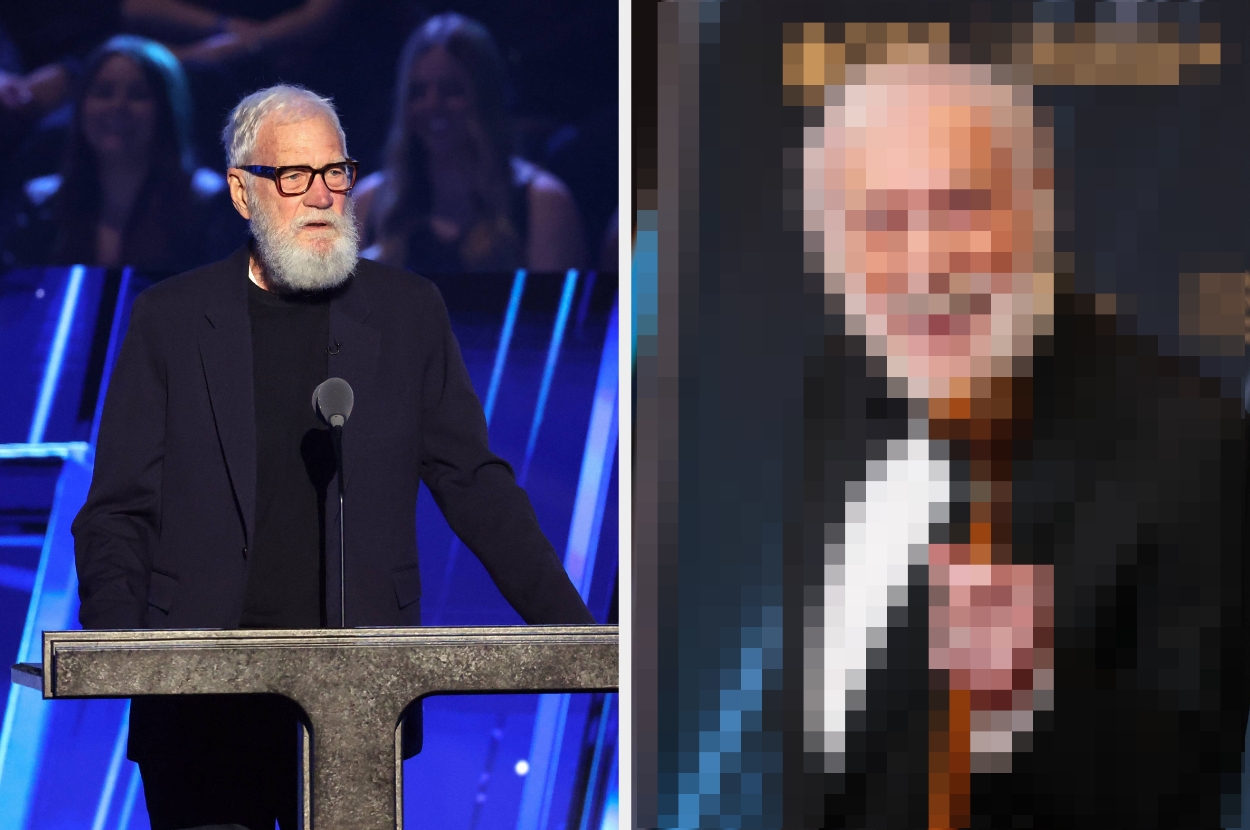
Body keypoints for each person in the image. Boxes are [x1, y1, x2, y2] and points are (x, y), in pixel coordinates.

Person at [71, 84, 594, 830]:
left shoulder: (407, 312)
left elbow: (474, 484)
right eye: (294, 175)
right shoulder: (172, 319)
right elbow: (119, 510)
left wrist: (575, 633)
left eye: (335, 172)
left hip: (355, 708)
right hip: (198, 707)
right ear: (242, 192)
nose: (321, 195)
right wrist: (120, 656)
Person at [794, 44, 1242, 830]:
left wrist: (1024, 698)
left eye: (961, 208)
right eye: (882, 220)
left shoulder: (1193, 445)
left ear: (1038, 213)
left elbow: (1180, 790)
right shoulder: (838, 387)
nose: (925, 262)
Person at [353, 13, 586, 274]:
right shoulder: (367, 202)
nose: (432, 105)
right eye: (418, 92)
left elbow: (553, 301)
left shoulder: (543, 203)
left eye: (451, 90)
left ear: (486, 98)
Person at [1, 35, 242, 271]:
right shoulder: (41, 203)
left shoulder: (208, 203)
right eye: (103, 92)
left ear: (167, 110)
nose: (118, 106)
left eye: (138, 94)